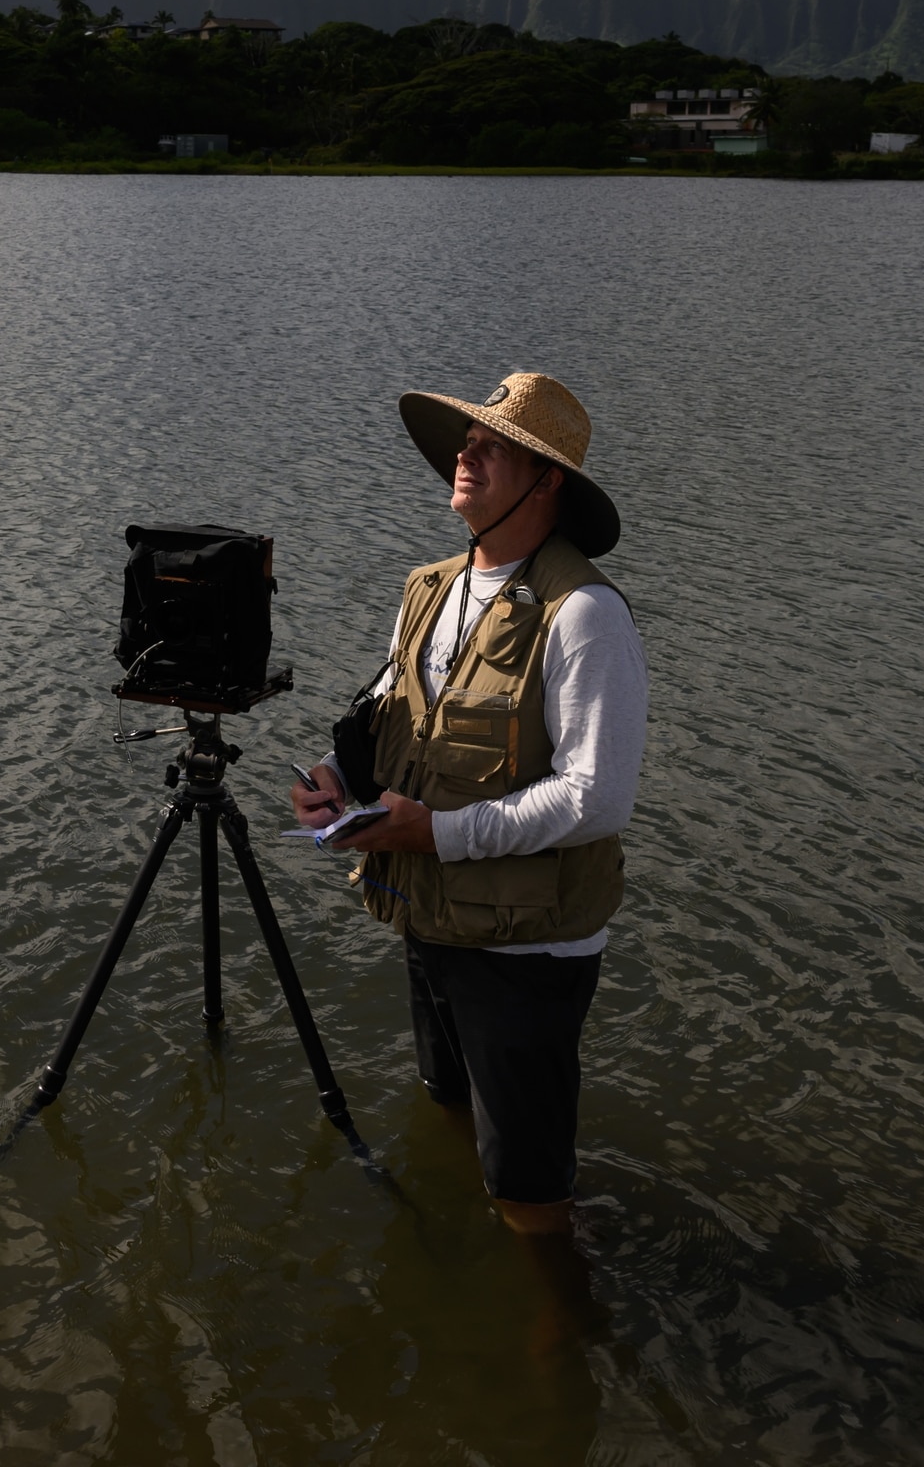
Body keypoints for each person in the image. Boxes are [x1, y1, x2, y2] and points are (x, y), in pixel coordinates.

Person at [291, 371, 646, 1238]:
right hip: (431, 913)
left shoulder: (585, 614)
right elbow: (394, 719)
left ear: (546, 480)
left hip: (529, 949)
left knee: (528, 1188)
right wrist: (340, 782)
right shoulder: (429, 588)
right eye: (467, 440)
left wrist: (437, 832)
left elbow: (597, 800)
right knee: (446, 1102)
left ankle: (556, 1336)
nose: (467, 453)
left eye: (494, 446)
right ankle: (458, 1260)